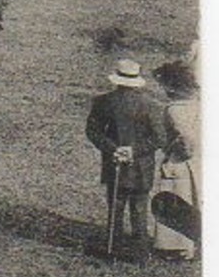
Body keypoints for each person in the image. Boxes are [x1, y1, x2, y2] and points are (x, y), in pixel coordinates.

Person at [85, 60, 171, 262]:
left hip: (114, 163)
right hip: (141, 166)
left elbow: (93, 131)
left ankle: (111, 251)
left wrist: (113, 149)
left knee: (115, 207)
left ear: (117, 79)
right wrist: (134, 151)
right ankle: (140, 254)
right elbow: (159, 138)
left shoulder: (104, 101)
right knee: (139, 210)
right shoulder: (151, 105)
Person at [152, 61, 199, 259]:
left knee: (178, 199)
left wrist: (177, 151)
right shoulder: (197, 106)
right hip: (198, 160)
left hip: (181, 160)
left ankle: (177, 247)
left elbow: (185, 137)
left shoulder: (174, 110)